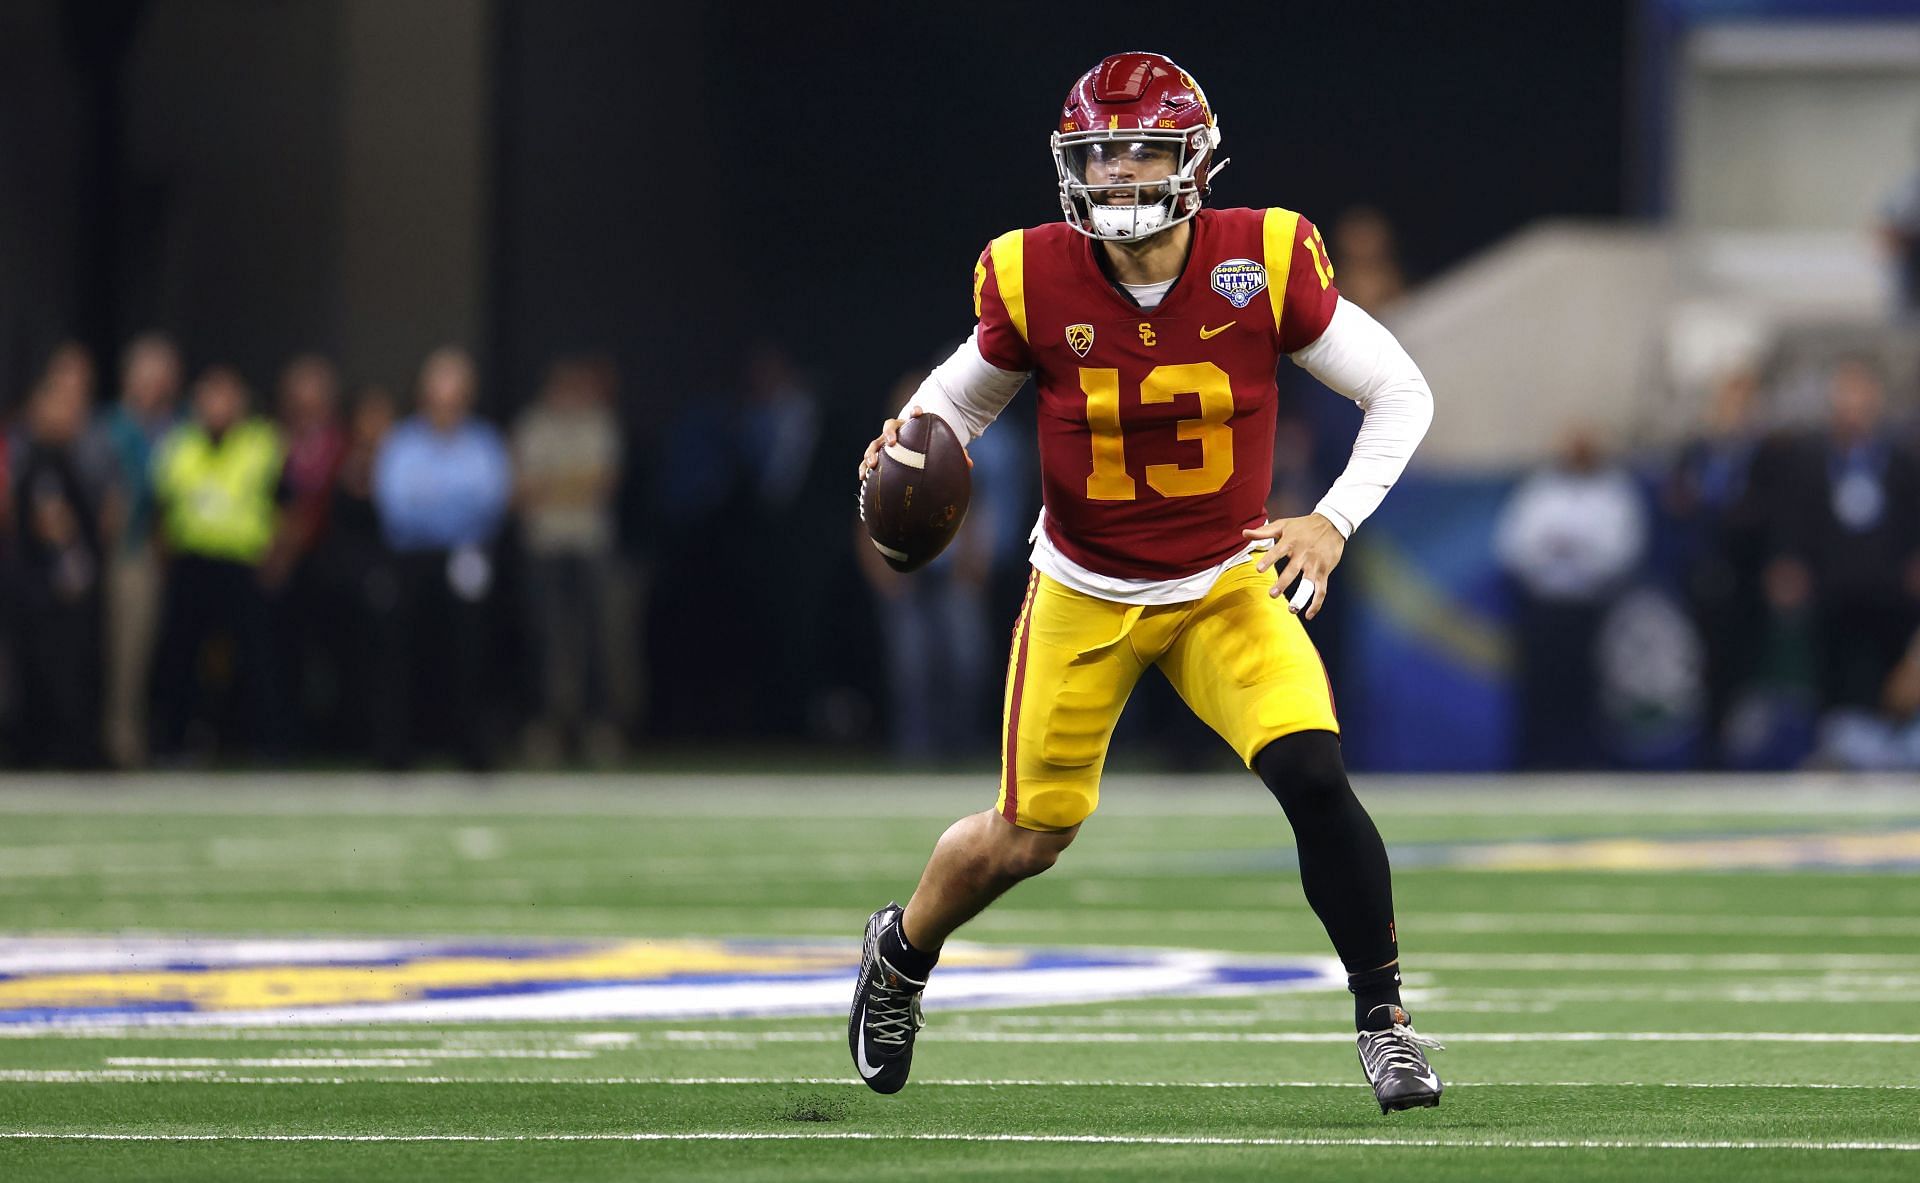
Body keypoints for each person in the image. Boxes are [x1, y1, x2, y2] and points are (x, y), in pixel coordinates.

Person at [847, 53, 1439, 1112]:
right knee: (1025, 837)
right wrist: (908, 440)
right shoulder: (1035, 274)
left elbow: (1399, 389)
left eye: (1141, 151)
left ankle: (1384, 1020)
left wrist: (1332, 519)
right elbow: (960, 401)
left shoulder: (1260, 256)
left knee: (1312, 775)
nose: (1119, 174)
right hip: (1085, 586)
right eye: (1101, 153)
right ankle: (901, 952)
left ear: (1195, 160)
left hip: (1224, 579)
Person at [370, 347, 511, 769]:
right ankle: (398, 752)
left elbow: (489, 502)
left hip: (465, 556)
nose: (446, 403)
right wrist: (451, 501)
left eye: (455, 394)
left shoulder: (484, 443)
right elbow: (397, 505)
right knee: (402, 655)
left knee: (469, 656)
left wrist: (434, 499)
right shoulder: (401, 442)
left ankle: (471, 751)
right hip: (411, 558)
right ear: (424, 396)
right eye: (438, 393)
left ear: (467, 396)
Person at [148, 366, 288, 761]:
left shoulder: (261, 444)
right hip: (191, 563)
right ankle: (175, 743)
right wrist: (164, 559)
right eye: (210, 397)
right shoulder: (178, 444)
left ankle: (263, 744)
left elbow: (286, 506)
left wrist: (277, 559)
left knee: (256, 658)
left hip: (242, 565)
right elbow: (161, 509)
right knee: (181, 657)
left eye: (225, 397)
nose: (217, 406)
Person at [1494, 424, 1649, 768]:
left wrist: (1578, 551)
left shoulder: (1613, 493)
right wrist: (1552, 552)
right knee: (1540, 692)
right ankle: (1534, 764)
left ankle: (1586, 764)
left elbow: (1622, 551)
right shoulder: (1541, 491)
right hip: (1545, 608)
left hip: (1590, 610)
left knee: (1587, 693)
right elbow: (1514, 546)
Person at [6, 344, 117, 766]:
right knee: (47, 672)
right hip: (46, 586)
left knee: (78, 670)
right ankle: (46, 750)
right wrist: (72, 570)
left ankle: (75, 748)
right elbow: (48, 523)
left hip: (68, 587)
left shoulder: (77, 453)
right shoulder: (40, 458)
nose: (70, 413)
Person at [512, 357, 625, 765]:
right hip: (544, 546)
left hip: (589, 545)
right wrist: (572, 481)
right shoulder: (533, 425)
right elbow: (522, 489)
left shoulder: (599, 424)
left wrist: (553, 482)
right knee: (544, 637)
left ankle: (599, 728)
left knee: (595, 638)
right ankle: (543, 728)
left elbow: (603, 483)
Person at [99, 333, 183, 767]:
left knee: (156, 653)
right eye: (151, 376)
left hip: (169, 555)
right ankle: (121, 744)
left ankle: (156, 738)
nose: (160, 386)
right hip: (125, 553)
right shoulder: (111, 427)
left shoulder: (175, 427)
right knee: (124, 653)